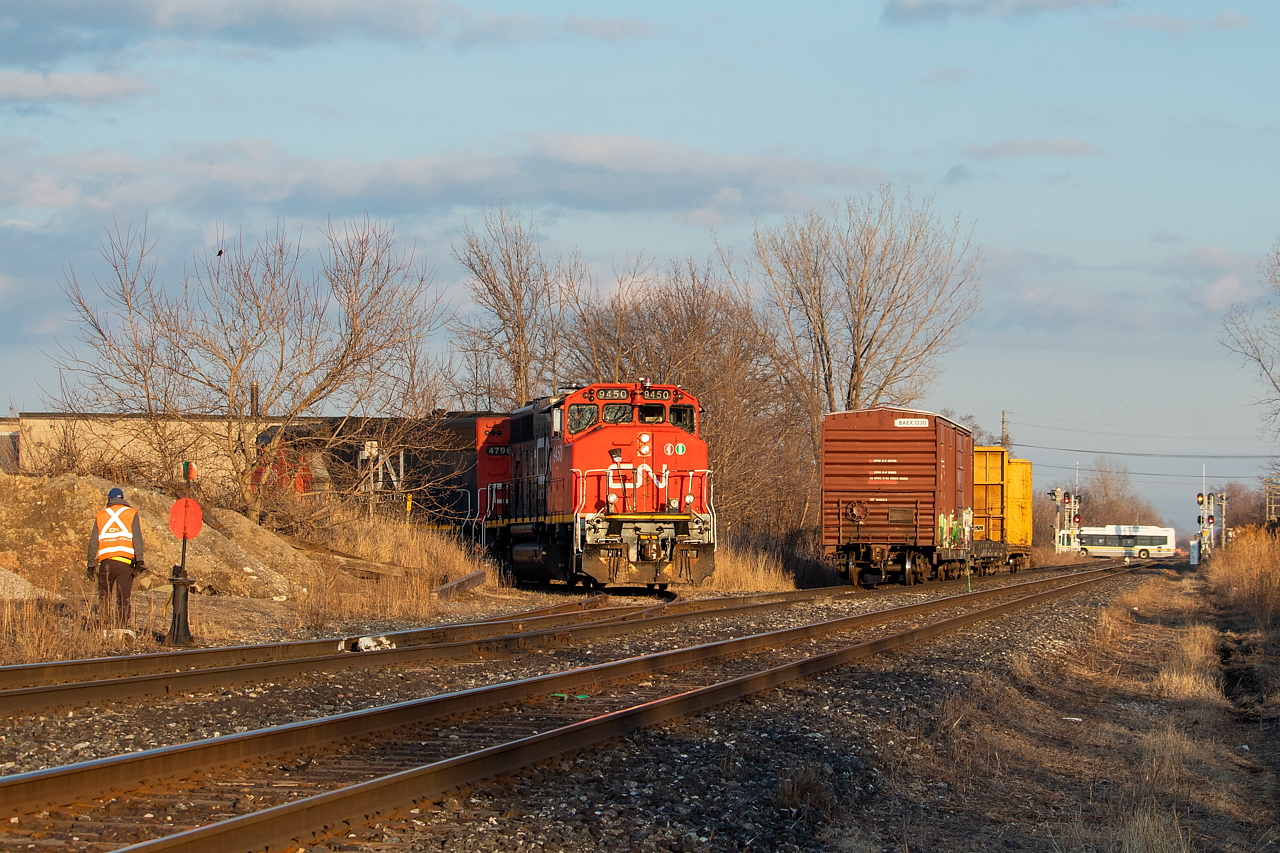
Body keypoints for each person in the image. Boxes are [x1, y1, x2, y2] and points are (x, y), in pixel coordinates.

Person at [86, 487, 146, 627]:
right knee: (123, 598)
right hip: (125, 564)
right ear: (123, 499)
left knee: (104, 597)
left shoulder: (101, 515)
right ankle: (122, 627)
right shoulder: (131, 514)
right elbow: (137, 539)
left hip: (106, 564)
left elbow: (93, 543)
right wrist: (140, 561)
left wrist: (90, 566)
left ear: (109, 500)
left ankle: (105, 626)